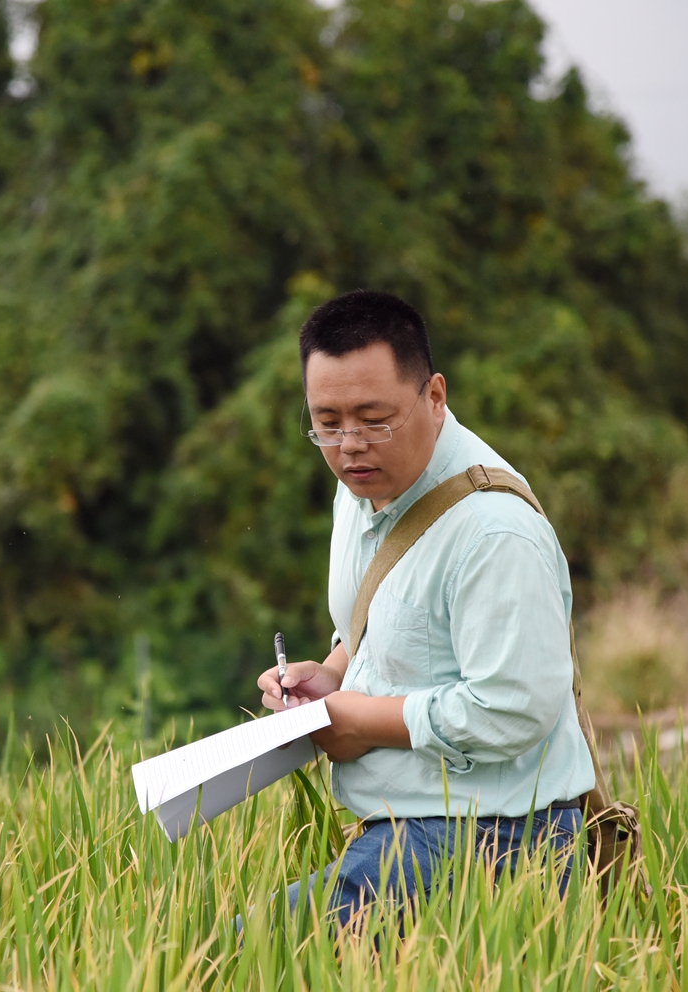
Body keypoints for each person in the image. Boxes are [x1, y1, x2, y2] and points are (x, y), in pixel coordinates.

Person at [257, 289, 595, 928]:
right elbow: (388, 621)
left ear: (434, 398)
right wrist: (334, 671)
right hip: (408, 829)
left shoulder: (493, 531)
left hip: (495, 842)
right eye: (326, 423)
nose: (350, 444)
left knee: (250, 952)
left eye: (373, 418)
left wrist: (359, 719)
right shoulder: (362, 487)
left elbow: (514, 706)